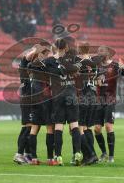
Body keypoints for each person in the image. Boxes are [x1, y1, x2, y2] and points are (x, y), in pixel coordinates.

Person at [43, 37, 83, 166]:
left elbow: (40, 70)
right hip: (71, 94)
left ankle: (58, 156)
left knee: (58, 126)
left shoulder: (48, 61)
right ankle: (77, 153)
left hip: (57, 96)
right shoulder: (72, 59)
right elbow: (81, 67)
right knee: (74, 125)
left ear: (55, 46)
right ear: (66, 47)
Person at [94, 45, 124, 163]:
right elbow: (93, 79)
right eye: (98, 52)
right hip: (99, 101)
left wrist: (122, 68)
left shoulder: (114, 65)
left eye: (101, 51)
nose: (99, 53)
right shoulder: (96, 65)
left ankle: (111, 156)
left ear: (107, 53)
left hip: (110, 100)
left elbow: (123, 74)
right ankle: (103, 153)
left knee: (108, 126)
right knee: (97, 129)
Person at [13, 44, 44, 164]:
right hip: (27, 100)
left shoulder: (37, 67)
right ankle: (19, 154)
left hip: (34, 100)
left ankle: (28, 154)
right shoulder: (24, 65)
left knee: (33, 127)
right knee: (27, 126)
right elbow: (26, 57)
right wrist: (36, 49)